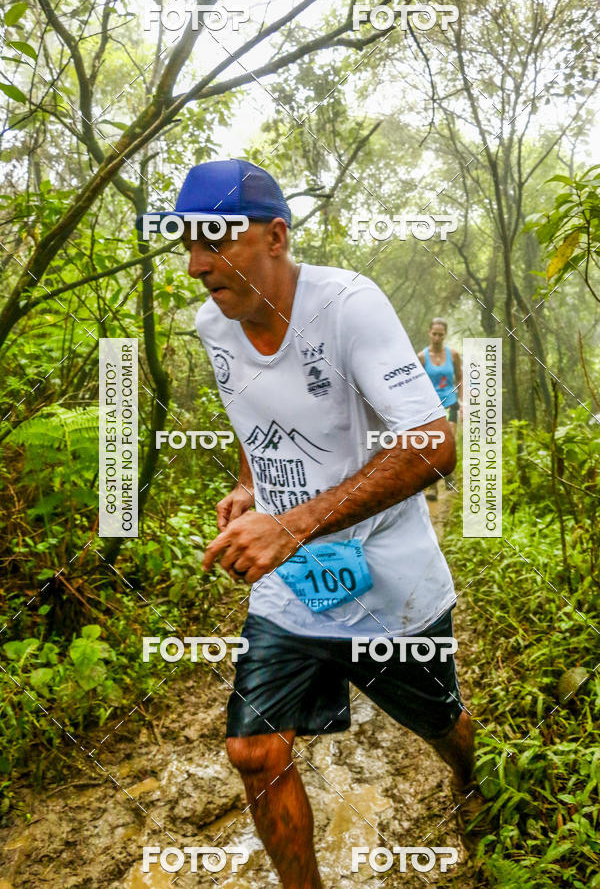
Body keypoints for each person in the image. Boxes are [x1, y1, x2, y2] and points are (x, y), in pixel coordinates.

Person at [138, 159, 487, 887]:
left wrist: (292, 525)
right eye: (187, 246)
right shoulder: (215, 323)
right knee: (254, 750)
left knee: (438, 722)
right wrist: (247, 486)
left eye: (214, 241)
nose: (197, 265)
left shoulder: (348, 306)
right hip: (291, 587)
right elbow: (251, 416)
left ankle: (471, 777)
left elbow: (434, 440)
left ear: (276, 236)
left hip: (387, 577)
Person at [418, 319, 462, 501]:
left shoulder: (453, 355)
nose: (437, 337)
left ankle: (448, 473)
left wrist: (461, 400)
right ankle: (434, 487)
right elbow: (417, 384)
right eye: (434, 333)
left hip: (450, 402)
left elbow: (460, 377)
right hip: (430, 406)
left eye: (440, 334)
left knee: (448, 441)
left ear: (445, 334)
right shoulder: (421, 357)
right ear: (429, 333)